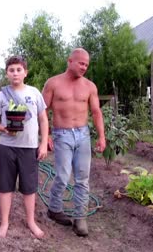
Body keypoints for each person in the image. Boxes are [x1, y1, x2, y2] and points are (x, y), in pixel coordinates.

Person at [42, 48, 106, 237]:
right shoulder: (53, 83)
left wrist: (101, 136)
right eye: (81, 63)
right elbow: (42, 111)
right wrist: (45, 136)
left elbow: (96, 112)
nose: (84, 67)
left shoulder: (89, 86)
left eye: (86, 64)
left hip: (83, 134)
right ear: (70, 61)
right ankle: (54, 209)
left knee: (82, 178)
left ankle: (80, 218)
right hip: (62, 135)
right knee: (62, 176)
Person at [0, 56, 48, 239]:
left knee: (29, 187)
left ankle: (31, 221)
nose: (15, 73)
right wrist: (4, 128)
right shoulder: (1, 95)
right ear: (7, 73)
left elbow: (43, 119)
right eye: (11, 70)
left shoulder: (35, 93)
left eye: (18, 70)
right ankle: (4, 223)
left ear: (25, 73)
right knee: (5, 186)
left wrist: (44, 143)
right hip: (7, 147)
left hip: (29, 147)